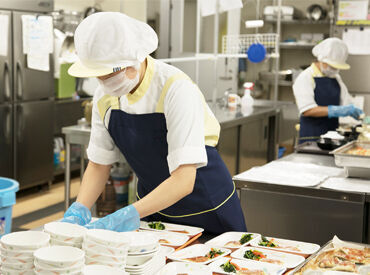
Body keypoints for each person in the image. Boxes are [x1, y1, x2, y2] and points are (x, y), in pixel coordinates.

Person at [62, 12, 247, 234]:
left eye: (106, 74)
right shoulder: (104, 97)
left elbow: (184, 180)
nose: (102, 83)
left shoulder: (175, 88)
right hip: (152, 207)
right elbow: (99, 164)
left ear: (133, 63)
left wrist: (129, 213)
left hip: (206, 208)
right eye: (97, 75)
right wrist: (79, 208)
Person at [293, 38, 363, 143]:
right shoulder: (305, 77)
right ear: (321, 59)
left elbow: (347, 103)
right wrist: (337, 110)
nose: (335, 70)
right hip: (311, 138)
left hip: (332, 138)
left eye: (337, 67)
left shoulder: (336, 78)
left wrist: (357, 113)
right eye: (332, 66)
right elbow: (307, 110)